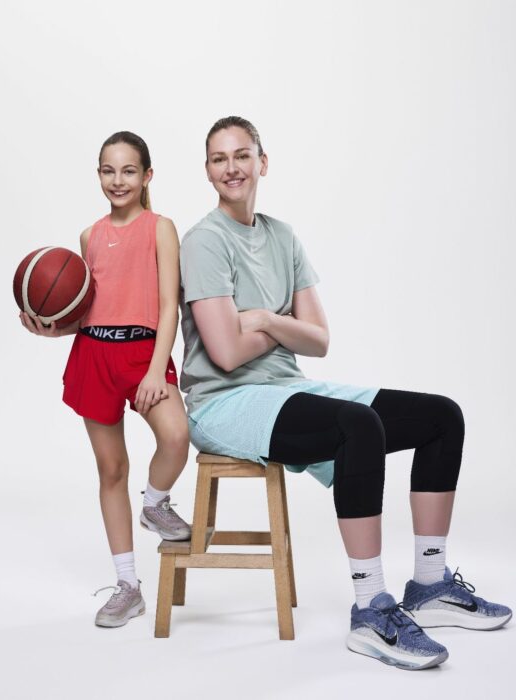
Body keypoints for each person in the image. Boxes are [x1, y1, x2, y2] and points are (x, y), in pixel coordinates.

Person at [178, 116, 511, 669]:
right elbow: (226, 353)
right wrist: (285, 325)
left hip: (285, 388)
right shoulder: (204, 242)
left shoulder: (283, 237)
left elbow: (320, 340)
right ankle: (370, 610)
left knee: (442, 417)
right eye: (219, 158)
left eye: (242, 155)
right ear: (208, 170)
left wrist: (263, 318)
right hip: (224, 403)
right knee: (358, 425)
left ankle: (429, 585)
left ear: (263, 162)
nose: (231, 167)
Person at [20, 131, 190, 628]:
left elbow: (168, 306)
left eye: (129, 171)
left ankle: (155, 504)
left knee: (176, 436)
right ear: (98, 175)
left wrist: (157, 368)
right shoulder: (88, 236)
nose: (118, 180)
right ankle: (127, 587)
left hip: (143, 354)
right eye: (108, 171)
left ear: (147, 176)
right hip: (94, 353)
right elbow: (89, 311)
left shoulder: (161, 228)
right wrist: (53, 329)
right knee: (112, 470)